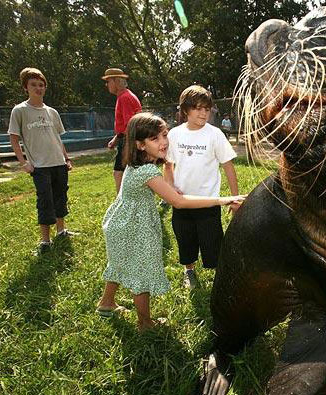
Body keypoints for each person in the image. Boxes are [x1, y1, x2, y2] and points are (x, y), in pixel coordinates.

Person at [96, 112, 245, 331]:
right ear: (140, 145)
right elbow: (179, 202)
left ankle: (106, 303)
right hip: (134, 228)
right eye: (155, 139)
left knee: (119, 263)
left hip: (121, 222)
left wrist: (168, 175)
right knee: (141, 273)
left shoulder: (139, 163)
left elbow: (164, 186)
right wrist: (224, 199)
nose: (164, 142)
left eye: (165, 135)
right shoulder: (146, 171)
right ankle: (145, 323)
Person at [164, 85, 241, 289]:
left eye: (207, 109)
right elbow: (168, 165)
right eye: (198, 108)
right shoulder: (174, 134)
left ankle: (220, 275)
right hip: (182, 203)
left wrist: (235, 199)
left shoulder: (214, 134)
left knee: (213, 242)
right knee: (185, 239)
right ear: (185, 110)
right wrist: (170, 188)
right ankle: (189, 270)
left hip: (208, 201)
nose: (203, 113)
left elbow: (228, 166)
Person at [8, 67, 76, 255]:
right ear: (26, 87)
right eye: (33, 85)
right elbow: (14, 138)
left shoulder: (52, 112)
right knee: (45, 200)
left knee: (61, 196)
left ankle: (61, 231)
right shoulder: (19, 111)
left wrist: (66, 159)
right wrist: (24, 163)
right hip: (39, 166)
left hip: (58, 163)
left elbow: (58, 138)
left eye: (41, 85)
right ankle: (45, 241)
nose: (38, 88)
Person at [102, 67, 142, 193]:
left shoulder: (124, 98)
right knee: (127, 171)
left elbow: (131, 124)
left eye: (108, 81)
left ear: (116, 81)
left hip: (128, 139)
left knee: (118, 172)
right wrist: (115, 138)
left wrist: (122, 140)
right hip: (126, 138)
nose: (107, 85)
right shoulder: (124, 96)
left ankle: (121, 201)